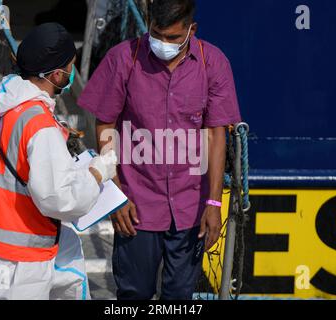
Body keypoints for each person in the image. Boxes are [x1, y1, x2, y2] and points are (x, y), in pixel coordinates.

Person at [77, 0, 241, 300]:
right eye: (157, 34)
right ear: (148, 25)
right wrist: (115, 194)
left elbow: (216, 135)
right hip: (136, 206)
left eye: (173, 38)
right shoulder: (122, 58)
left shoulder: (213, 63)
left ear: (192, 30)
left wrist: (214, 204)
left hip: (191, 206)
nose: (163, 43)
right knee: (134, 294)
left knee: (180, 296)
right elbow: (105, 126)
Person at [0, 22, 117, 300]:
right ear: (57, 74)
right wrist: (97, 173)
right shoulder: (39, 125)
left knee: (70, 276)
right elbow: (59, 200)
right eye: (70, 67)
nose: (71, 73)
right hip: (19, 255)